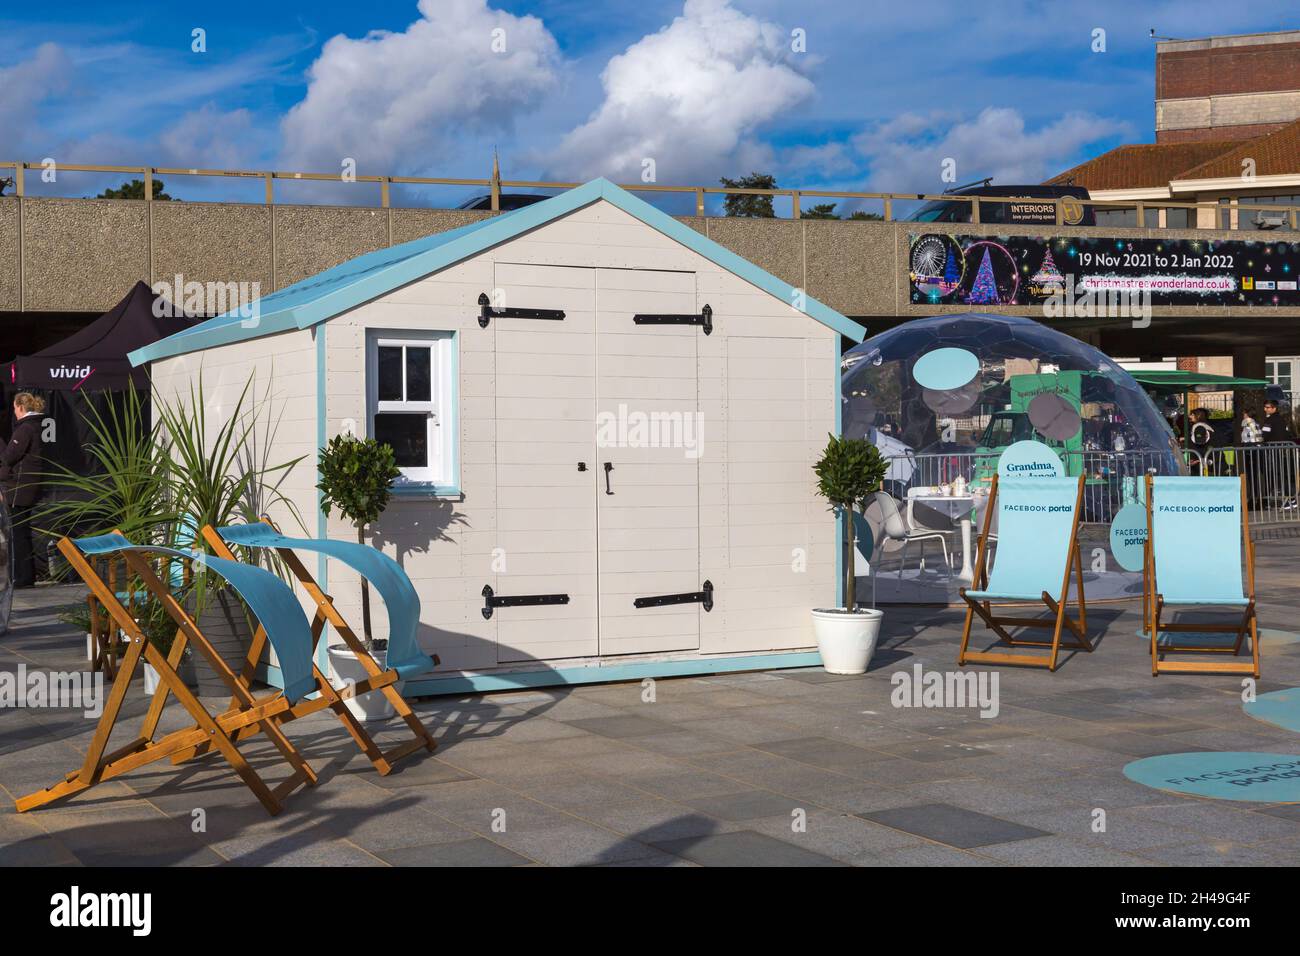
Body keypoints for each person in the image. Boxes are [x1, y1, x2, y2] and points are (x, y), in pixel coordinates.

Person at [0, 392, 47, 588]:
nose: (13, 413)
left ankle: (22, 576)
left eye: (14, 408)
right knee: (23, 533)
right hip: (30, 486)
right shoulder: (39, 426)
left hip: (19, 489)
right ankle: (26, 575)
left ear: (20, 407)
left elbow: (10, 456)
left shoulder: (25, 429)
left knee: (18, 534)